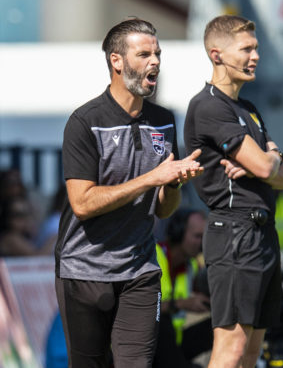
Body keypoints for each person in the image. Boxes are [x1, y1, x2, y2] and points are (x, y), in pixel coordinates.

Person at [54, 18, 203, 368]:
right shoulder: (84, 121)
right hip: (83, 270)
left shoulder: (164, 120)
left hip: (140, 270)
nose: (155, 62)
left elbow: (165, 211)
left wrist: (173, 184)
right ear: (116, 61)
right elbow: (83, 203)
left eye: (158, 54)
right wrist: (153, 177)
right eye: (144, 54)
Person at [184, 15, 283, 368]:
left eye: (256, 48)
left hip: (262, 235)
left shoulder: (248, 109)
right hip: (234, 234)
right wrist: (269, 160)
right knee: (231, 349)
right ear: (216, 55)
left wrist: (268, 159)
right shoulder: (208, 105)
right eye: (246, 48)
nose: (255, 56)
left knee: (250, 353)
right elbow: (268, 169)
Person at [153, 208, 212, 368]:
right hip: (149, 345)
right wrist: (182, 304)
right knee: (162, 324)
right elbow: (143, 310)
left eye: (204, 237)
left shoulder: (191, 265)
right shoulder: (153, 257)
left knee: (216, 327)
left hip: (173, 342)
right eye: (197, 236)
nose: (201, 243)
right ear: (178, 234)